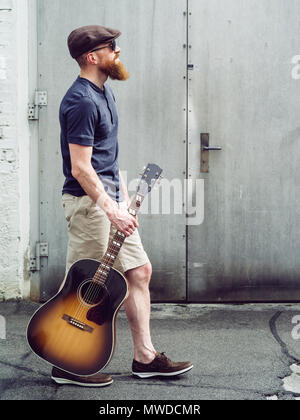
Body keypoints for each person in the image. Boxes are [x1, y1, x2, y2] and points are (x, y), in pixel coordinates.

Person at [52, 25, 193, 387]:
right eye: (111, 47)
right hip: (89, 205)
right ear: (92, 57)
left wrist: (122, 199)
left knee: (139, 272)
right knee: (85, 283)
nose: (118, 52)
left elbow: (103, 159)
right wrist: (109, 208)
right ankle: (66, 361)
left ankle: (145, 357)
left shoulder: (104, 93)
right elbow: (81, 167)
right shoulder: (81, 101)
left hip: (109, 199)